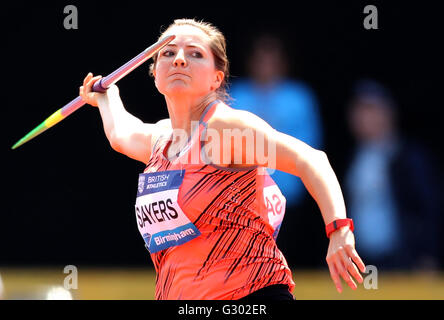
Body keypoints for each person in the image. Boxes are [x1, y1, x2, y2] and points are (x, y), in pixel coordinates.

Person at [79, 18, 365, 300]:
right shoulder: (162, 141)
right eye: (168, 52)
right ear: (154, 73)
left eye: (195, 53)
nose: (179, 59)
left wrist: (339, 229)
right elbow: (121, 134)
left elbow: (310, 159)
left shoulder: (223, 130)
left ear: (217, 77)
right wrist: (106, 96)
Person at [344, 79, 442, 271]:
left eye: (370, 109)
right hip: (362, 261)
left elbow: (428, 208)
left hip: (402, 260)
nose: (362, 117)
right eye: (358, 110)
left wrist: (428, 254)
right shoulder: (351, 158)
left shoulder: (409, 158)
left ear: (388, 113)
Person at [229, 33, 323, 209]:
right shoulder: (236, 94)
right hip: (243, 194)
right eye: (261, 60)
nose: (266, 67)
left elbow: (312, 145)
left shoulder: (299, 97)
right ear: (250, 62)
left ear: (283, 63)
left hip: (289, 193)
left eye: (272, 61)